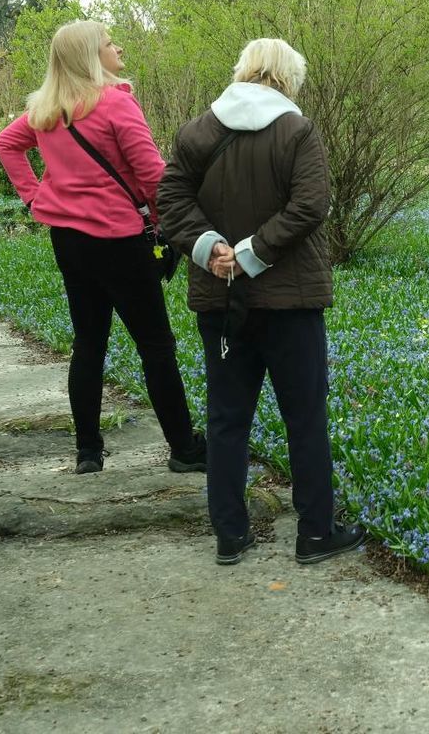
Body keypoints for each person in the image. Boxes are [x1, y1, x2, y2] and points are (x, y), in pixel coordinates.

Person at [158, 38, 364, 566]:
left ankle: (230, 534)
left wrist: (214, 250)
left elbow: (170, 201)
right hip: (290, 303)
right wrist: (254, 252)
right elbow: (311, 205)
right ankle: (316, 533)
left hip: (221, 302)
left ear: (244, 71)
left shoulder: (198, 130)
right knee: (305, 417)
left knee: (227, 420)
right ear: (287, 78)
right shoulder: (297, 130)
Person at [0, 20, 206, 476]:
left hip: (69, 242)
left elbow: (6, 143)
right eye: (111, 43)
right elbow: (152, 178)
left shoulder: (47, 109)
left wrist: (34, 196)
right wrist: (175, 225)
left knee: (89, 343)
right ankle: (184, 448)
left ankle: (88, 452)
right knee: (155, 345)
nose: (119, 47)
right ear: (93, 56)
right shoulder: (115, 104)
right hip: (120, 242)